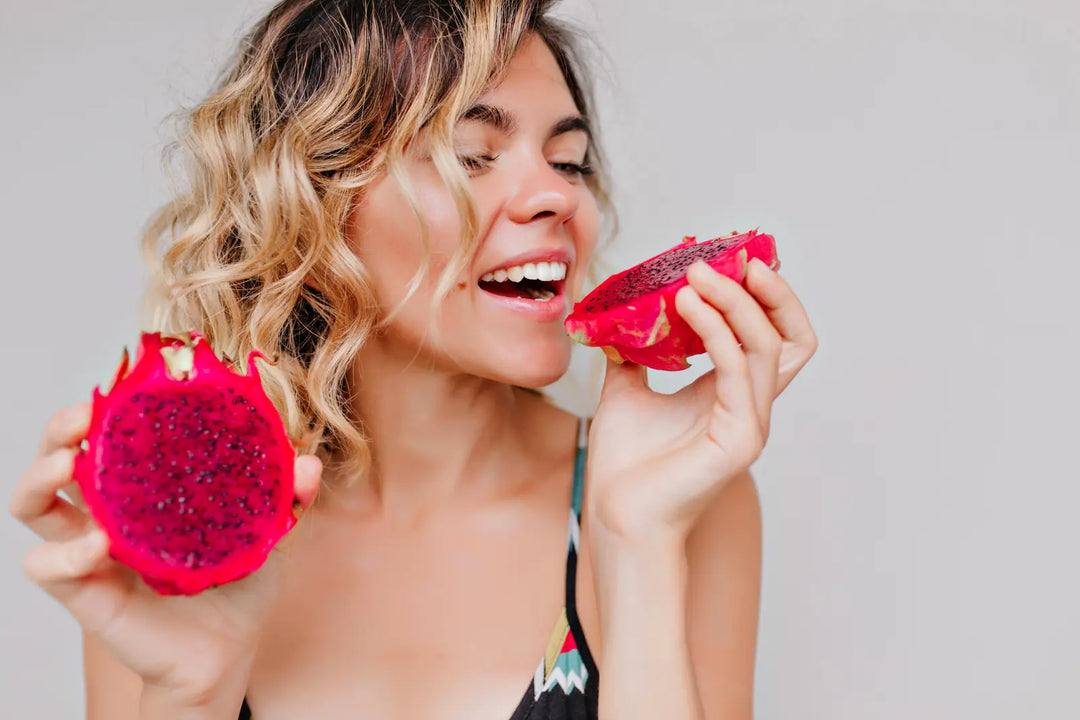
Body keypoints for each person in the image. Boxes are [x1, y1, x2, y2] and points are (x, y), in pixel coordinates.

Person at [9, 1, 817, 718]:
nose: (559, 198)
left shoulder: (677, 501)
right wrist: (186, 698)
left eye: (567, 161)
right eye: (472, 153)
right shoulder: (180, 531)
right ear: (315, 207)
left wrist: (633, 542)